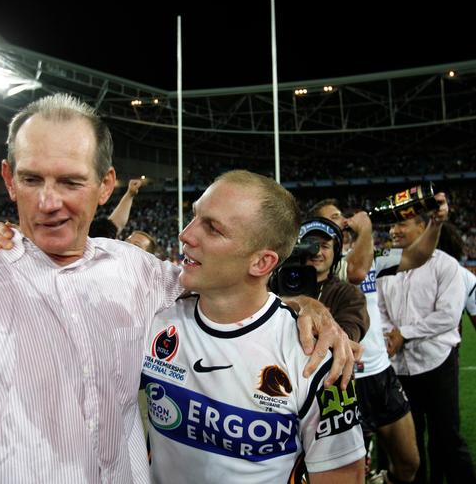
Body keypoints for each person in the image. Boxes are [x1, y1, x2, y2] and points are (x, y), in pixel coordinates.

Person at [0, 94, 352, 483]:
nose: (48, 204)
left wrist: (307, 306)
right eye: (32, 179)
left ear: (106, 185)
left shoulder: (136, 272)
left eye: (70, 182)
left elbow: (231, 289)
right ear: (8, 179)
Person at [143, 172, 365, 483]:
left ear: (261, 263)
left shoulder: (314, 357)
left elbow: (342, 475)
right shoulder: (153, 316)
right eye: (195, 217)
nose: (185, 235)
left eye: (213, 229)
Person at [310, 196, 449, 484]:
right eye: (334, 217)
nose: (344, 220)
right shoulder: (321, 265)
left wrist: (435, 224)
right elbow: (357, 272)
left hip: (380, 373)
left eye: (342, 215)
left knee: (409, 463)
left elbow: (416, 256)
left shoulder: (369, 256)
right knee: (349, 473)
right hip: (342, 381)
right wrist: (368, 228)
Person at [378, 213, 476, 484]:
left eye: (402, 225)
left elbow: (448, 315)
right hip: (397, 365)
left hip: (436, 363)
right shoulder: (385, 263)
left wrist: (404, 334)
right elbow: (380, 308)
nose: (394, 231)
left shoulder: (446, 265)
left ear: (423, 227)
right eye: (392, 225)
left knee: (447, 438)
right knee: (407, 442)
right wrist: (390, 335)